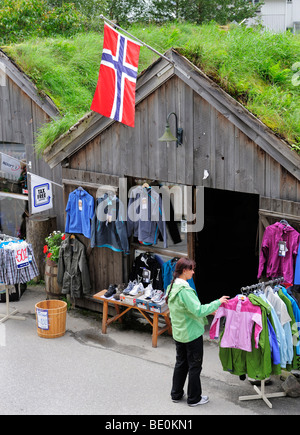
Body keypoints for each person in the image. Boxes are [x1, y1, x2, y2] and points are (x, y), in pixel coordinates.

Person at [166, 257, 229, 407]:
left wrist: (210, 311)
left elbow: (187, 310)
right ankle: (194, 398)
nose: (193, 272)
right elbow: (198, 310)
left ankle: (176, 394)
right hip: (191, 334)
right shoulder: (185, 290)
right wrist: (218, 302)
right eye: (192, 269)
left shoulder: (172, 287)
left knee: (181, 363)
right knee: (194, 366)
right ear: (184, 271)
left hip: (179, 332)